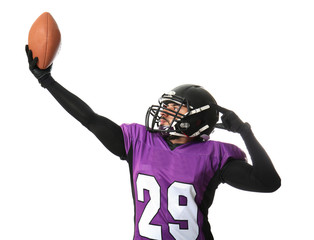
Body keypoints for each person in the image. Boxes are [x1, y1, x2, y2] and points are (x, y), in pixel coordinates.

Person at [25, 45, 281, 240]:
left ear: (197, 119)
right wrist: (47, 81)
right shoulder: (139, 142)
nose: (164, 113)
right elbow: (90, 119)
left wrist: (245, 132)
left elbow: (269, 182)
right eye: (165, 106)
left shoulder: (213, 155)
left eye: (175, 109)